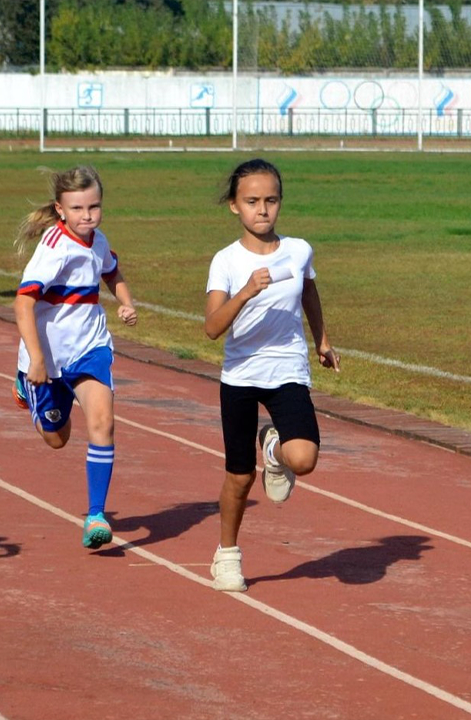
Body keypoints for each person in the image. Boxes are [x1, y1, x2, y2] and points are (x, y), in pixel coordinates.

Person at [204, 158, 340, 593]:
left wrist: (321, 339)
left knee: (305, 459)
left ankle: (276, 449)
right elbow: (211, 328)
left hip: (287, 368)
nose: (262, 210)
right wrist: (246, 291)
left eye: (271, 200)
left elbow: (309, 290)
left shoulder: (298, 250)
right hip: (241, 375)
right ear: (234, 206)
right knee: (240, 477)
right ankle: (227, 555)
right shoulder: (225, 260)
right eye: (252, 201)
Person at [12, 166, 138, 550]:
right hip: (47, 357)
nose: (88, 215)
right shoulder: (53, 247)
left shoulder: (98, 242)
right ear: (60, 209)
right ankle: (25, 389)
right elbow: (23, 300)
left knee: (103, 421)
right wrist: (35, 359)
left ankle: (96, 515)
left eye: (94, 206)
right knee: (56, 439)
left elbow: (112, 274)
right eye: (79, 208)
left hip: (90, 347)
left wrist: (126, 304)